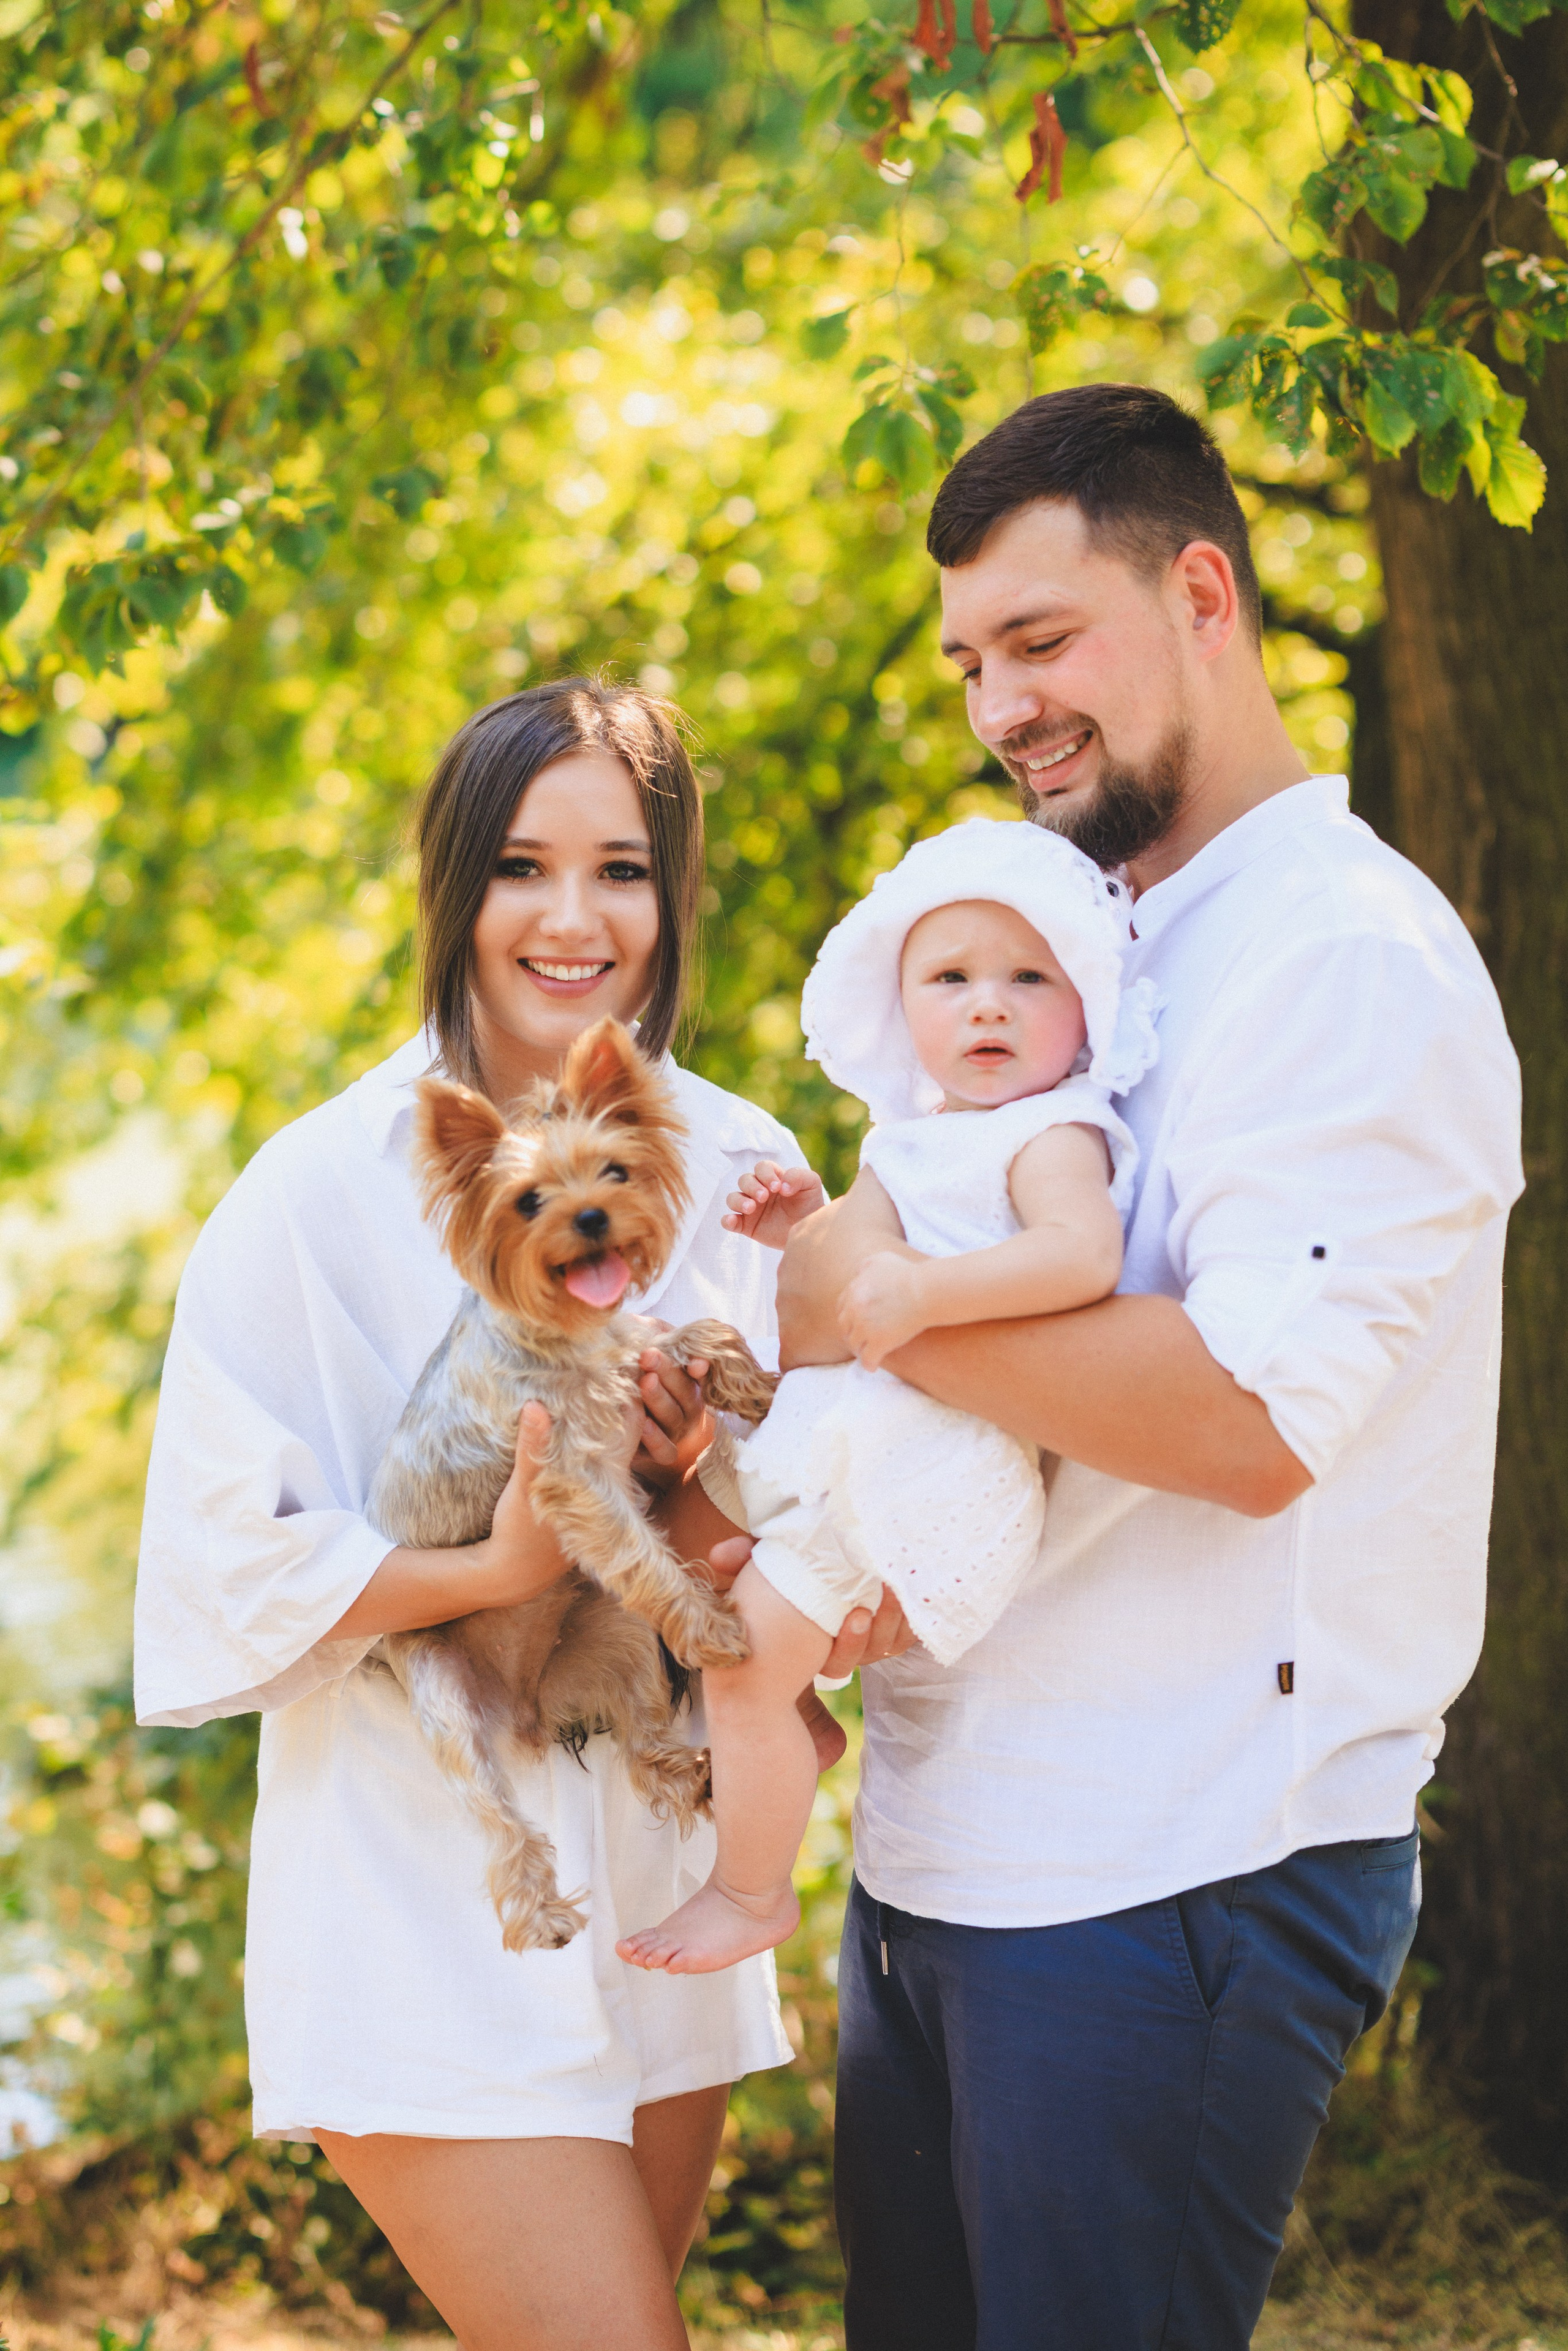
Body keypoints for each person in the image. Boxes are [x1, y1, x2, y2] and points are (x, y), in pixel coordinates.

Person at [778, 384, 1525, 2350]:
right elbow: (830, 1259)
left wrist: (889, 1299)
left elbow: (1243, 1418)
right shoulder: (1062, 933)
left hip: (1178, 1860)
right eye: (966, 663)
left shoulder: (1341, 954)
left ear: (1203, 589)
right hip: (955, 1836)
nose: (1000, 704)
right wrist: (869, 1286)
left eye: (1042, 641)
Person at [132, 678, 864, 2351]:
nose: (572, 915)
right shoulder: (314, 1189)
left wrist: (687, 1489)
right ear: (456, 886)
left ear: (674, 894)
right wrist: (493, 1564)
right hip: (423, 1895)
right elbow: (216, 1560)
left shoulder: (738, 1160)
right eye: (524, 864)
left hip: (662, 1883)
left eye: (623, 866)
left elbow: (824, 1504)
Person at [617, 818, 1159, 1976]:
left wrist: (928, 1291)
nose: (989, 1007)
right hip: (848, 1431)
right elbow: (859, 1257)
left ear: (1088, 1009)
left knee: (740, 1650)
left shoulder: (1054, 1132)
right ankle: (795, 1724)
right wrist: (799, 1220)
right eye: (950, 979)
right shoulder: (917, 1136)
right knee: (681, 1554)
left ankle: (752, 1890)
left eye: (1029, 979)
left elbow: (1081, 1258)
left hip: (923, 1458)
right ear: (904, 1004)